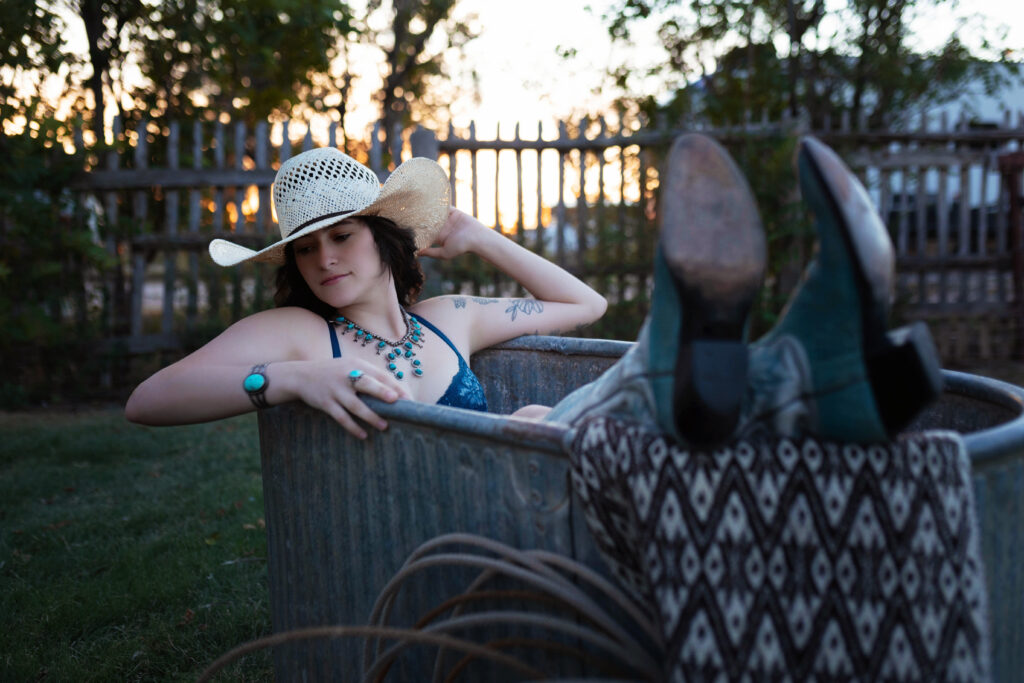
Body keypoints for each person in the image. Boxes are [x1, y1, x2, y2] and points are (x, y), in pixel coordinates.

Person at [124, 149, 607, 437]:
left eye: (342, 236)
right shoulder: (302, 334)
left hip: (481, 517)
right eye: (305, 249)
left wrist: (479, 237)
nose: (324, 259)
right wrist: (292, 379)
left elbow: (585, 305)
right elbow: (148, 400)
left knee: (535, 417)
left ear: (384, 237)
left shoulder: (449, 319)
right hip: (383, 547)